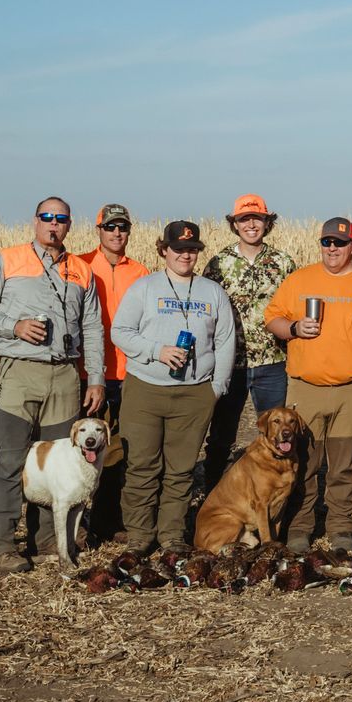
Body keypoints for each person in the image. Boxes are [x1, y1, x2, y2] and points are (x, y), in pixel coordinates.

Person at [0, 197, 106, 574]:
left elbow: (92, 328)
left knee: (59, 461)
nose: (53, 224)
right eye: (47, 217)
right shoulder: (8, 258)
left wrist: (95, 379)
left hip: (64, 375)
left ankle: (47, 540)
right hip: (19, 372)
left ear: (69, 225)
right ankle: (2, 544)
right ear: (35, 221)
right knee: (8, 459)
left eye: (61, 219)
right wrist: (14, 326)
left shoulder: (81, 270)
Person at [263, 216, 352, 552]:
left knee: (345, 464)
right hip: (305, 387)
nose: (332, 249)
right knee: (303, 462)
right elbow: (273, 318)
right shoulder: (300, 280)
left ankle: (341, 526)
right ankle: (300, 527)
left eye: (340, 243)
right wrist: (294, 328)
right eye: (327, 242)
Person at [110, 220, 236, 554]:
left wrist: (216, 388)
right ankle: (139, 534)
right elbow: (120, 331)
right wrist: (157, 351)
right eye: (179, 249)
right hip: (146, 388)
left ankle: (171, 535)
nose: (186, 255)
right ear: (164, 250)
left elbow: (225, 342)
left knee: (180, 470)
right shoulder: (145, 288)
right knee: (141, 466)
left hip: (195, 393)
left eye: (192, 249)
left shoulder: (212, 292)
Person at [202, 193, 296, 491]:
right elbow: (206, 311)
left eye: (257, 218)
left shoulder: (283, 263)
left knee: (279, 435)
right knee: (221, 437)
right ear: (235, 224)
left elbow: (293, 309)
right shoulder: (219, 263)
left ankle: (279, 494)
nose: (251, 224)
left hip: (273, 363)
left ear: (267, 223)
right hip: (231, 363)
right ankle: (214, 494)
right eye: (244, 219)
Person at [74, 202, 149, 542]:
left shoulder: (142, 272)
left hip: (128, 373)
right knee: (77, 448)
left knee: (115, 451)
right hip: (87, 373)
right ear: (99, 230)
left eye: (123, 228)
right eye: (110, 227)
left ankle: (106, 522)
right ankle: (70, 521)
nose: (117, 234)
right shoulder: (80, 266)